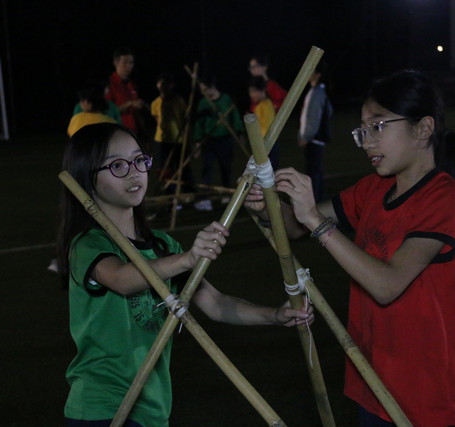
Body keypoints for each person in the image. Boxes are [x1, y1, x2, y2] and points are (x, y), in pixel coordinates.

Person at [246, 69, 455, 427]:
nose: (367, 142)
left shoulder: (446, 197)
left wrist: (315, 220)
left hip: (433, 398)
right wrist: (268, 207)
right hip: (374, 383)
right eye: (362, 131)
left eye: (378, 126)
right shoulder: (372, 189)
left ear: (423, 128)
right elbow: (294, 227)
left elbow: (387, 285)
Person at [57, 122, 313, 426]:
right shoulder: (88, 244)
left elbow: (216, 304)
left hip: (152, 408)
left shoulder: (164, 246)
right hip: (101, 407)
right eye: (117, 166)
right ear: (88, 178)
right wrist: (188, 258)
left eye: (139, 160)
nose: (134, 172)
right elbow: (122, 279)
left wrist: (273, 315)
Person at [192, 74, 244, 211]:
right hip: (209, 140)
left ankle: (226, 194)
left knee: (225, 168)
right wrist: (197, 142)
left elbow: (235, 117)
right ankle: (205, 198)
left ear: (212, 87)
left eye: (205, 89)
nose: (203, 93)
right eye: (201, 90)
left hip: (225, 140)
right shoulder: (203, 103)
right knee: (207, 169)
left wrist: (239, 133)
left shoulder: (226, 99)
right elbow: (199, 124)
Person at [150, 71, 195, 193]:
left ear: (171, 85)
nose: (164, 86)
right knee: (165, 169)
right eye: (161, 83)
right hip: (162, 141)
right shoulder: (155, 103)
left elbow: (185, 119)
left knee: (183, 167)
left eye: (167, 84)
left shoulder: (178, 101)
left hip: (179, 140)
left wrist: (186, 136)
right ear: (158, 85)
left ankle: (188, 192)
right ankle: (169, 192)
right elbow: (158, 121)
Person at [298, 61, 333, 202]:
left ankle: (316, 201)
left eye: (310, 70)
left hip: (314, 140)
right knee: (315, 170)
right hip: (314, 139)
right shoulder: (317, 91)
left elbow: (314, 117)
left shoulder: (317, 93)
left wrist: (306, 137)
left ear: (317, 75)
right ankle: (318, 198)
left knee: (313, 172)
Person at [105, 47, 145, 134]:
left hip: (134, 132)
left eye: (131, 63)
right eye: (125, 62)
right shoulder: (109, 84)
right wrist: (129, 103)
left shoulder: (131, 84)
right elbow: (107, 112)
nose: (129, 66)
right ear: (116, 63)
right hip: (118, 132)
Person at [248, 76, 279, 170]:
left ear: (262, 91)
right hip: (263, 145)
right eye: (250, 92)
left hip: (268, 145)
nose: (252, 95)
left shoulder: (266, 105)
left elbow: (266, 127)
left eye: (254, 91)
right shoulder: (259, 106)